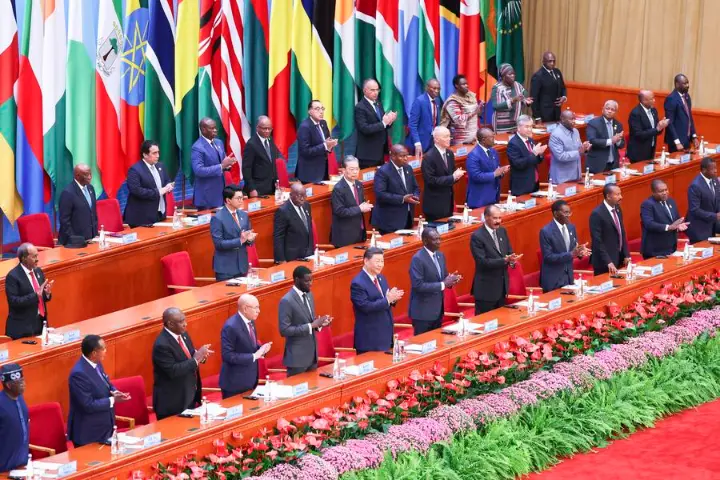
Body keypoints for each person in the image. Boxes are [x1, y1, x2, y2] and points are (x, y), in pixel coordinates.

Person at [68, 335, 130, 447]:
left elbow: (106, 383)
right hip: (89, 433)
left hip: (104, 428)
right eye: (103, 348)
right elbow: (87, 404)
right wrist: (112, 400)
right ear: (94, 353)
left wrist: (115, 391)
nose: (106, 351)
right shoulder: (78, 374)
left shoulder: (96, 363)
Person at [152, 308, 213, 420]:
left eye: (185, 320)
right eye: (181, 321)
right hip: (172, 403)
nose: (185, 324)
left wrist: (201, 356)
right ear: (170, 324)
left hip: (189, 396)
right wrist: (196, 359)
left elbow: (190, 354)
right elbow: (173, 370)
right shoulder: (162, 345)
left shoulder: (183, 334)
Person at [279, 266, 331, 376]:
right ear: (297, 280)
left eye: (311, 280)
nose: (310, 284)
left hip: (312, 355)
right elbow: (284, 330)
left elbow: (310, 321)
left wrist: (320, 324)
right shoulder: (286, 301)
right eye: (307, 281)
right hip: (297, 359)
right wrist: (311, 326)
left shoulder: (309, 294)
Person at [351, 247, 404, 354]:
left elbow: (385, 299)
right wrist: (388, 299)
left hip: (385, 335)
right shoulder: (358, 283)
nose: (380, 265)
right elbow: (366, 307)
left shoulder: (381, 278)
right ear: (366, 261)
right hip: (370, 340)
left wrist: (392, 299)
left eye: (382, 261)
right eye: (377, 261)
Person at [409, 228, 461, 335]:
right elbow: (418, 285)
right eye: (435, 239)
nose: (438, 242)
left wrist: (452, 280)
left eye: (439, 239)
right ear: (425, 241)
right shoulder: (417, 259)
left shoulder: (440, 255)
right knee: (423, 342)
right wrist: (443, 284)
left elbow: (444, 278)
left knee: (436, 341)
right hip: (423, 313)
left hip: (438, 311)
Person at [219, 294, 272, 398]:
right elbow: (227, 356)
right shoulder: (230, 326)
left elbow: (249, 345)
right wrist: (254, 356)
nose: (258, 311)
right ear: (245, 309)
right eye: (255, 308)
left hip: (250, 380)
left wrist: (261, 349)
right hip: (234, 384)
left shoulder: (250, 321)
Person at [470, 205, 518, 314]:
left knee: (501, 320)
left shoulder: (502, 231)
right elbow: (482, 262)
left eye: (500, 218)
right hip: (486, 291)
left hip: (502, 288)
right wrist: (505, 260)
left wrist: (512, 261)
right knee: (485, 322)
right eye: (495, 218)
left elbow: (509, 252)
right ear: (486, 217)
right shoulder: (477, 236)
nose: (498, 221)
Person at [539, 200, 590, 292]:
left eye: (569, 212)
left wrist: (580, 252)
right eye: (565, 212)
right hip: (553, 280)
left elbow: (574, 248)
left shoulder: (571, 227)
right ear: (556, 214)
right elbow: (548, 257)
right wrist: (571, 254)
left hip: (568, 278)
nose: (568, 215)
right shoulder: (546, 232)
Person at [5, 243, 52, 340]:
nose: (37, 259)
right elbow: (14, 302)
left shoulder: (38, 271)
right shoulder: (13, 276)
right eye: (34, 256)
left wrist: (47, 294)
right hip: (22, 329)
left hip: (40, 324)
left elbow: (41, 297)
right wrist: (36, 295)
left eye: (37, 255)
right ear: (24, 258)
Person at [210, 185, 257, 280]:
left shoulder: (244, 215)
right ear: (228, 200)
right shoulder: (218, 218)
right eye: (238, 198)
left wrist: (250, 239)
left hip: (242, 265)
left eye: (242, 198)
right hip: (226, 268)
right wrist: (240, 240)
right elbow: (218, 244)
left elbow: (247, 236)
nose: (241, 201)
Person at [123, 140, 174, 227]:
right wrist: (158, 192)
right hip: (142, 218)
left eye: (158, 152)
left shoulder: (160, 166)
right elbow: (136, 191)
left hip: (159, 213)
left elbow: (167, 180)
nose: (158, 155)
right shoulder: (135, 170)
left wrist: (169, 185)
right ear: (145, 154)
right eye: (154, 153)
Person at [371, 144, 420, 234]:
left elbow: (415, 187)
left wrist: (415, 196)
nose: (406, 158)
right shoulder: (383, 171)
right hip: (390, 221)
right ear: (393, 156)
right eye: (402, 156)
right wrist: (402, 199)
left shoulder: (408, 168)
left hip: (407, 217)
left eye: (406, 155)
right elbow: (380, 194)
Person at [192, 117, 237, 210]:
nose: (215, 130)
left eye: (215, 128)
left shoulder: (219, 142)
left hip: (221, 193)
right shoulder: (197, 147)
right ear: (203, 129)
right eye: (212, 128)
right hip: (207, 197)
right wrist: (221, 166)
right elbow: (198, 170)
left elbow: (222, 162)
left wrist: (228, 164)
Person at [421, 126, 465, 221]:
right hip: (435, 205)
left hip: (448, 203)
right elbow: (431, 181)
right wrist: (453, 177)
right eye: (445, 137)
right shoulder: (429, 157)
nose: (449, 139)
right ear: (436, 139)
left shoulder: (450, 154)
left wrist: (456, 176)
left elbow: (451, 175)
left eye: (449, 136)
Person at [331, 156, 372, 247]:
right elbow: (339, 211)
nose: (355, 172)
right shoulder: (338, 189)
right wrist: (360, 209)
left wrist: (365, 206)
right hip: (345, 236)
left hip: (359, 232)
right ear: (343, 170)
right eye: (351, 169)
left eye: (357, 169)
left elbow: (359, 203)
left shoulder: (359, 185)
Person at [640, 180, 688, 258]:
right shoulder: (647, 204)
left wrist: (679, 225)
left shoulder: (671, 201)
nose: (665, 193)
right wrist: (668, 227)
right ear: (653, 192)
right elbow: (649, 224)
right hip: (655, 250)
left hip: (671, 247)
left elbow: (676, 220)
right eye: (661, 191)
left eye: (666, 190)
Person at [355, 79, 396, 169]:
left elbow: (382, 124)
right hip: (368, 155)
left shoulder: (378, 104)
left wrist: (390, 121)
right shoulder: (360, 107)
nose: (376, 93)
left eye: (377, 90)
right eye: (372, 90)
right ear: (365, 91)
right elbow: (365, 128)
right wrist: (383, 123)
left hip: (380, 151)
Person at [589, 184, 629, 275]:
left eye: (620, 194)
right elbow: (597, 241)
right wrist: (608, 261)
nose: (621, 197)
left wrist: (626, 254)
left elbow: (621, 232)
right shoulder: (597, 214)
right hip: (604, 262)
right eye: (617, 194)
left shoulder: (617, 208)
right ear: (608, 196)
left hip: (619, 258)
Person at [466, 128, 509, 208]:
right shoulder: (473, 155)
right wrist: (494, 174)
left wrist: (502, 172)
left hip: (494, 196)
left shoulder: (493, 151)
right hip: (480, 199)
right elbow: (476, 176)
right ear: (483, 140)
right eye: (492, 137)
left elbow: (497, 170)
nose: (494, 139)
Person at [273, 182, 314, 263]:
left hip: (308, 254)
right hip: (292, 257)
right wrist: (281, 259)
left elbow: (307, 229)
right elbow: (278, 237)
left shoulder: (307, 205)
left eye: (304, 195)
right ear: (291, 195)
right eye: (299, 196)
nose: (302, 198)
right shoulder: (283, 211)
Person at [296, 100, 336, 183]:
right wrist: (325, 146)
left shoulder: (323, 123)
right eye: (317, 109)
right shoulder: (305, 127)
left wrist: (330, 145)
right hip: (309, 173)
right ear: (310, 111)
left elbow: (327, 143)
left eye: (322, 109)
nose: (321, 112)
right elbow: (305, 151)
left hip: (323, 170)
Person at [58, 164, 98, 245]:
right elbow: (65, 221)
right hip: (75, 242)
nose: (90, 177)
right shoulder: (68, 193)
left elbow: (92, 213)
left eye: (90, 174)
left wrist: (95, 235)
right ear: (77, 176)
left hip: (91, 239)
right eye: (86, 175)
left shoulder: (90, 188)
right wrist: (76, 240)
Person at [507, 115, 547, 195]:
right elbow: (518, 164)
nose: (529, 129)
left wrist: (540, 154)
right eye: (527, 127)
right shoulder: (513, 144)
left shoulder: (531, 140)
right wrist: (534, 153)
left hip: (534, 183)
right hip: (522, 186)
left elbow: (536, 161)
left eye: (531, 126)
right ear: (518, 128)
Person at [548, 110, 591, 184]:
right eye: (571, 119)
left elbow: (579, 149)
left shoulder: (575, 131)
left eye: (574, 119)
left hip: (576, 176)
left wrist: (585, 149)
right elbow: (560, 156)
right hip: (562, 179)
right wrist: (579, 152)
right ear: (562, 119)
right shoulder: (556, 135)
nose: (574, 121)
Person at [0, 364, 29, 473]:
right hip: (4, 467)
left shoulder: (20, 398)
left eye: (23, 380)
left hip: (21, 464)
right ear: (8, 385)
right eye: (19, 382)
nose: (24, 384)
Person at [242, 116, 280, 197]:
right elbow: (246, 169)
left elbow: (272, 164)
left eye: (269, 129)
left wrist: (277, 182)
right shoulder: (251, 144)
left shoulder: (271, 140)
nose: (267, 131)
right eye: (264, 128)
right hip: (258, 189)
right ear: (257, 128)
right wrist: (251, 188)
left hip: (271, 187)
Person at [439, 74, 483, 145]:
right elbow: (459, 120)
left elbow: (477, 115)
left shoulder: (471, 97)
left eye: (467, 84)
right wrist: (475, 112)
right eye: (463, 84)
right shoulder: (452, 101)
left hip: (474, 137)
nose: (466, 86)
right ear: (456, 86)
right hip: (461, 140)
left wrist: (480, 108)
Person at [627, 90, 669, 163]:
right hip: (639, 153)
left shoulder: (653, 110)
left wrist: (661, 126)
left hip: (651, 150)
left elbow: (656, 130)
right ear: (644, 101)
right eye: (651, 99)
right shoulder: (635, 113)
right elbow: (638, 134)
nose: (654, 100)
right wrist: (657, 129)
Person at [686, 157, 720, 244]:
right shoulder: (695, 186)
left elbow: (717, 199)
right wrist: (715, 216)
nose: (715, 171)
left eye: (716, 168)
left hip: (711, 226)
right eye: (712, 169)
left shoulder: (714, 180)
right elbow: (694, 210)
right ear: (704, 170)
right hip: (699, 229)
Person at [491, 64, 533, 134]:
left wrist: (526, 101)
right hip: (502, 125)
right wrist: (512, 100)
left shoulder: (517, 85)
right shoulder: (497, 88)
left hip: (516, 123)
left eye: (513, 74)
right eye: (510, 74)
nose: (513, 76)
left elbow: (524, 96)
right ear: (503, 76)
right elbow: (495, 106)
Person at [586, 100, 625, 173]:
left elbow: (622, 144)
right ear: (603, 109)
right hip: (598, 163)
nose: (609, 111)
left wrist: (618, 140)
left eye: (612, 110)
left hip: (613, 164)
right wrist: (611, 141)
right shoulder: (593, 123)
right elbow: (592, 140)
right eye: (607, 108)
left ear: (616, 112)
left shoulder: (618, 124)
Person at [407, 79, 443, 157]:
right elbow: (412, 124)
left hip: (433, 142)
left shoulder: (437, 100)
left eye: (438, 88)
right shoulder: (419, 101)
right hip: (420, 143)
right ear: (427, 88)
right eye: (434, 88)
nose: (437, 91)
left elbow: (436, 122)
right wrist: (417, 143)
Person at [664, 74, 699, 153]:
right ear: (677, 84)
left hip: (686, 139)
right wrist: (677, 142)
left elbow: (689, 118)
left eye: (687, 83)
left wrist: (694, 136)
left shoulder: (687, 96)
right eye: (684, 83)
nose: (687, 85)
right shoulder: (671, 99)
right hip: (677, 142)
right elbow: (669, 123)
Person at [529, 51, 567, 122]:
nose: (552, 63)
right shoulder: (538, 76)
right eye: (550, 61)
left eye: (554, 61)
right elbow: (534, 98)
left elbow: (563, 87)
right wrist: (537, 117)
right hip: (544, 114)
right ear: (543, 61)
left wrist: (564, 97)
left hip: (557, 112)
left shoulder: (557, 72)